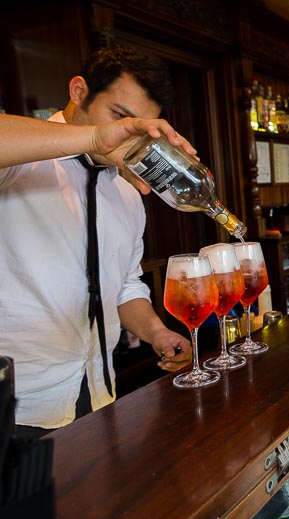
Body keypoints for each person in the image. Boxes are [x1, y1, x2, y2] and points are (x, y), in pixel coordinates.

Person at [0, 46, 196, 438]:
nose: (127, 134)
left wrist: (157, 332)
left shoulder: (127, 193)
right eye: (120, 117)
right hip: (17, 412)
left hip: (99, 394)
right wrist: (92, 137)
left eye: (141, 124)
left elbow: (123, 284)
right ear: (78, 92)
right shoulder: (20, 163)